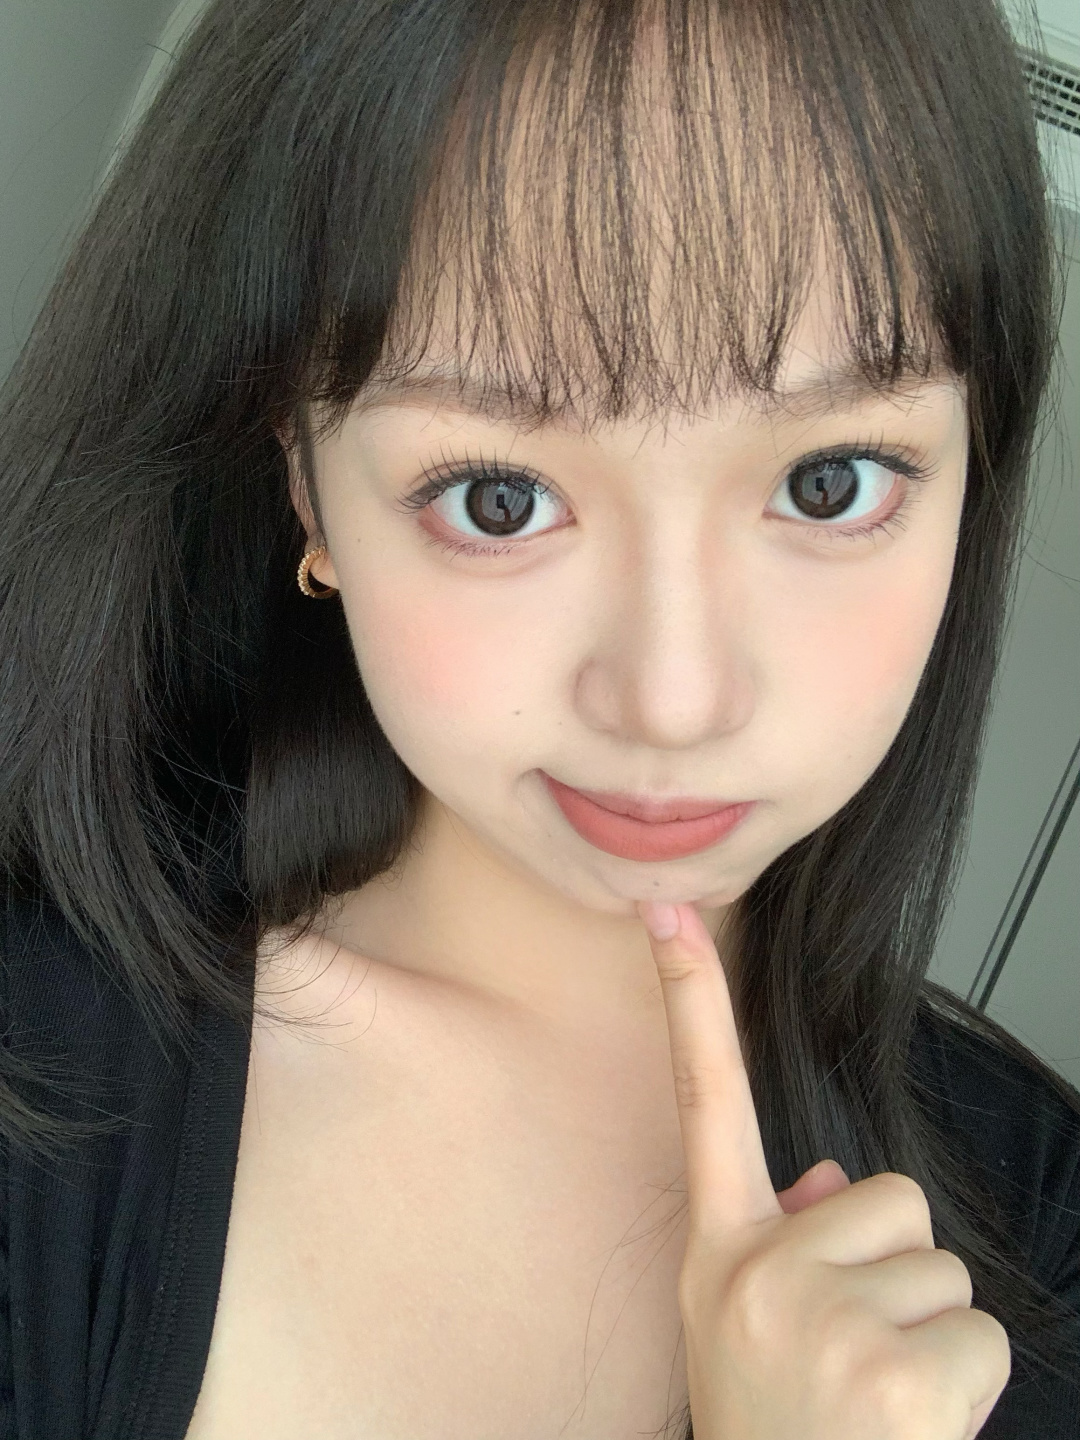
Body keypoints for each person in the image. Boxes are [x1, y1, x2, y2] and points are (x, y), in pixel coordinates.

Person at [0, 0, 1078, 1436]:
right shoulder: (38, 1081)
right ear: (309, 487)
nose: (673, 699)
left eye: (827, 483)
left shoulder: (1043, 1237)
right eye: (499, 499)